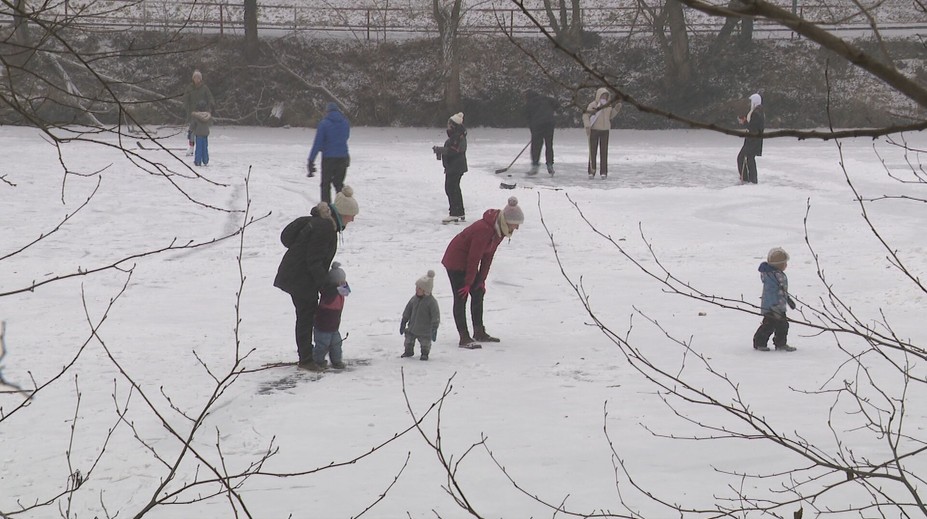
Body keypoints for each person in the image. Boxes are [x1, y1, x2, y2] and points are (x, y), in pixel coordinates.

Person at [274, 186, 360, 367]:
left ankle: (311, 355)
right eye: (351, 216)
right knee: (305, 316)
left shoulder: (325, 225)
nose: (352, 219)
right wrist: (327, 287)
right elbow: (314, 261)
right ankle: (306, 359)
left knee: (307, 315)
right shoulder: (325, 228)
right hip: (300, 278)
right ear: (343, 213)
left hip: (298, 276)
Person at [441, 196, 524, 348]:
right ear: (508, 221)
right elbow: (474, 258)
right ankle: (464, 336)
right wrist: (467, 283)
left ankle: (479, 331)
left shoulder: (499, 230)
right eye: (516, 224)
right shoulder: (484, 230)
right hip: (456, 260)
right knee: (461, 296)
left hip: (468, 261)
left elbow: (488, 257)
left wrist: (481, 281)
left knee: (478, 292)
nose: (517, 228)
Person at [753, 247, 797, 352]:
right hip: (772, 307)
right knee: (769, 325)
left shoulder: (777, 274)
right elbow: (771, 293)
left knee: (782, 325)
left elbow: (781, 290)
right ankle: (760, 342)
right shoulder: (772, 277)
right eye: (784, 263)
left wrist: (788, 300)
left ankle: (780, 343)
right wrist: (773, 306)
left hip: (779, 306)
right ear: (779, 265)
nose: (786, 265)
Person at [307, 102, 351, 203]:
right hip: (343, 157)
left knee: (325, 184)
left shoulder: (324, 124)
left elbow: (317, 144)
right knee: (339, 184)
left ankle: (326, 210)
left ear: (327, 112)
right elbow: (346, 137)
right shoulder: (345, 122)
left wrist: (311, 160)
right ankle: (342, 208)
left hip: (329, 158)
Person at [310, 262, 351, 370]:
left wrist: (341, 283)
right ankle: (317, 361)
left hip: (334, 326)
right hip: (323, 326)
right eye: (341, 281)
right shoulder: (329, 292)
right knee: (322, 346)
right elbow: (327, 291)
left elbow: (346, 292)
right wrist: (334, 285)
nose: (344, 283)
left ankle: (336, 361)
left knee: (336, 345)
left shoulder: (340, 290)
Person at [432, 112, 468, 224]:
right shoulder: (456, 135)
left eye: (449, 124)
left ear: (453, 125)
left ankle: (455, 212)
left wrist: (441, 150)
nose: (447, 126)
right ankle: (459, 211)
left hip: (456, 166)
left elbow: (455, 150)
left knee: (451, 189)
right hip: (454, 166)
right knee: (454, 188)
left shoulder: (458, 136)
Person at [399, 270, 441, 361]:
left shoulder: (431, 302)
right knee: (408, 341)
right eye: (416, 287)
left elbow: (435, 316)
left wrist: (434, 328)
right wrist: (404, 321)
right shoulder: (414, 299)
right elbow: (407, 310)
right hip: (412, 328)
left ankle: (424, 353)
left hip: (425, 330)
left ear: (426, 291)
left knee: (425, 343)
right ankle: (408, 351)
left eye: (419, 288)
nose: (416, 290)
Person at [582, 87, 621, 179]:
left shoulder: (608, 105)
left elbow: (610, 116)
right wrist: (587, 126)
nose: (604, 97)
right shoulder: (593, 105)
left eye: (606, 95)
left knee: (604, 152)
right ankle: (591, 171)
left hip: (605, 131)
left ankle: (604, 172)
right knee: (593, 151)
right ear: (598, 95)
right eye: (603, 95)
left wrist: (616, 110)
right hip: (594, 130)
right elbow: (585, 115)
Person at [183, 69, 215, 157]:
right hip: (193, 113)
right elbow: (185, 99)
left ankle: (204, 148)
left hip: (202, 113)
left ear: (201, 79)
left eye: (198, 78)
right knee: (192, 131)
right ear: (193, 78)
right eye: (195, 77)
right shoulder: (189, 88)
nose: (197, 79)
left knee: (202, 131)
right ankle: (191, 148)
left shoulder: (204, 88)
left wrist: (211, 106)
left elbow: (210, 97)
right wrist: (186, 108)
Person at [524, 90, 557, 176]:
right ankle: (550, 164)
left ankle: (535, 165)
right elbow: (557, 104)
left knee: (536, 146)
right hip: (549, 124)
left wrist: (533, 132)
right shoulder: (546, 99)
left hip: (537, 125)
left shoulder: (529, 104)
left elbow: (528, 119)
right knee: (549, 145)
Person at [737, 93, 765, 184]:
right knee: (749, 159)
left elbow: (753, 128)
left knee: (741, 158)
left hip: (753, 141)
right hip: (755, 140)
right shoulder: (759, 111)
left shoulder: (756, 113)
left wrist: (745, 122)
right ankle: (751, 180)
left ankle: (746, 179)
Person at [190, 100, 211, 167]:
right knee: (205, 147)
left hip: (198, 134)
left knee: (199, 148)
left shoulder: (196, 116)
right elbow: (210, 123)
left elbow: (193, 125)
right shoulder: (207, 116)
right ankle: (205, 160)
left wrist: (191, 129)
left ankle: (198, 161)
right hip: (205, 134)